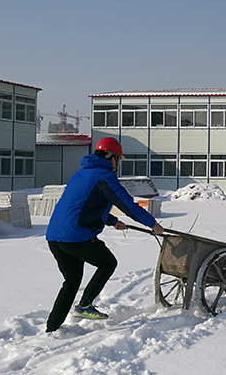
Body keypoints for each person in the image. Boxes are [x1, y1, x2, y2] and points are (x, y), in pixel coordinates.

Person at [45, 137, 164, 333]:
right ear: (112, 158)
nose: (119, 164)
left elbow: (85, 205)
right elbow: (127, 205)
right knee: (108, 263)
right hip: (75, 236)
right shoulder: (104, 176)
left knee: (72, 281)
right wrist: (153, 224)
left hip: (55, 237)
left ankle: (52, 328)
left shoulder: (81, 173)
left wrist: (111, 221)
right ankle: (85, 305)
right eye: (119, 159)